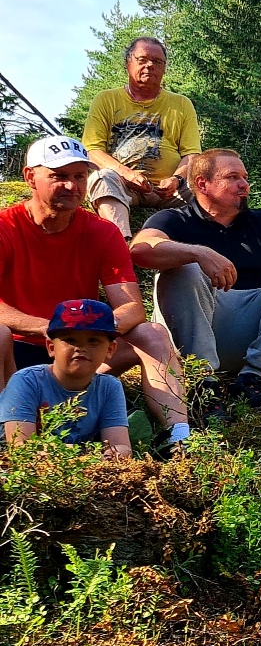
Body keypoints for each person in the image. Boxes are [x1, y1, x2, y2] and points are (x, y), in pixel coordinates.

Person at [0, 136, 192, 455]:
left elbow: (131, 308)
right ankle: (6, 429)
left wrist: (85, 333)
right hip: (15, 352)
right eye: (59, 176)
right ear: (30, 176)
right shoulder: (5, 227)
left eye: (79, 176)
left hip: (78, 353)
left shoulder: (103, 232)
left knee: (152, 334)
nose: (71, 185)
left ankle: (179, 436)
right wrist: (54, 327)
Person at [131, 149, 261, 410]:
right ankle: (203, 385)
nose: (245, 185)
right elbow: (140, 250)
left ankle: (252, 378)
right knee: (184, 267)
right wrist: (197, 252)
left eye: (245, 177)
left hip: (249, 333)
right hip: (188, 335)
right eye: (233, 177)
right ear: (202, 183)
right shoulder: (174, 219)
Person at [82, 36, 201, 239]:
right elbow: (92, 150)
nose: (150, 66)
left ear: (164, 68)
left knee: (207, 185)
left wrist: (176, 179)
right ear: (128, 64)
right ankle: (121, 244)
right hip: (123, 185)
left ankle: (220, 246)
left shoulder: (181, 104)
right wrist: (127, 175)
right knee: (102, 178)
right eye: (142, 59)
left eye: (157, 62)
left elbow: (192, 154)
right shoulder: (106, 99)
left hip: (170, 192)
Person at [1, 300, 131, 454]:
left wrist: (111, 455)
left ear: (110, 349)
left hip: (73, 467)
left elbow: (122, 447)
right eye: (70, 340)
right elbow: (21, 448)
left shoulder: (109, 387)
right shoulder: (26, 381)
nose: (81, 348)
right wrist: (89, 453)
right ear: (51, 347)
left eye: (93, 341)